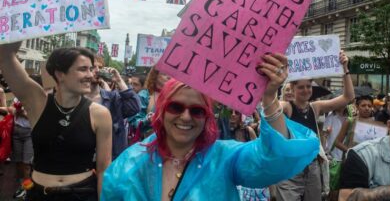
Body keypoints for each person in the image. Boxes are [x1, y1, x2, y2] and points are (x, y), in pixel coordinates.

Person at [101, 53, 320, 200]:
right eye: (176, 107)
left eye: (197, 110)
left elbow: (275, 158)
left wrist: (269, 95)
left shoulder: (224, 157)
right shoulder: (131, 161)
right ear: (161, 111)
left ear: (207, 117)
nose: (186, 117)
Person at [0, 42, 112, 201]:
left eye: (91, 69)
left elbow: (103, 169)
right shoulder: (37, 103)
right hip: (39, 194)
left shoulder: (100, 114)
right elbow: (6, 58)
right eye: (82, 69)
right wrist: (22, 25)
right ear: (60, 74)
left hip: (82, 194)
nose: (90, 75)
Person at [275, 51, 355, 201]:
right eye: (301, 87)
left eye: (308, 86)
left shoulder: (315, 107)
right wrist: (275, 80)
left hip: (312, 167)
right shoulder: (287, 107)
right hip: (291, 168)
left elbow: (348, 97)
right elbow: (271, 107)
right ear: (292, 88)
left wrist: (345, 69)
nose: (306, 90)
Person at [338, 103, 390, 201]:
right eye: (363, 105)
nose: (366, 108)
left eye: (368, 105)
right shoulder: (362, 156)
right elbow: (345, 198)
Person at [86, 55, 140, 159]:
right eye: (92, 67)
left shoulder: (112, 98)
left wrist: (119, 80)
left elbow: (134, 107)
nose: (97, 71)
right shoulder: (76, 98)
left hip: (110, 159)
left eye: (100, 68)